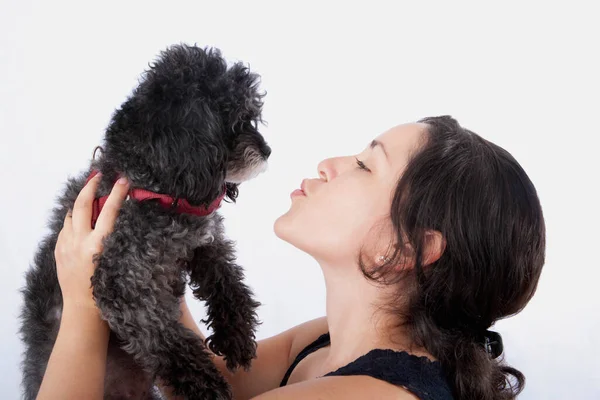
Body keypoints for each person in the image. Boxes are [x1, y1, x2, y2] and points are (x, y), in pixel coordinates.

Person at [36, 116, 545, 400]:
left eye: (366, 166)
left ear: (407, 248)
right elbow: (215, 385)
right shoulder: (327, 341)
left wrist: (85, 303)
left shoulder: (371, 397)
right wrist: (153, 252)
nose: (330, 164)